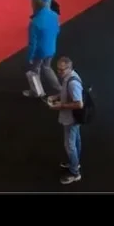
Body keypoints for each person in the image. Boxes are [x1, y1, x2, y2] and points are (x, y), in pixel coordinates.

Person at [47, 56, 85, 185]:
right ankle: (75, 163)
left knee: (69, 146)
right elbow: (66, 92)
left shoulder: (72, 83)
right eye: (58, 69)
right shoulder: (69, 77)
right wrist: (56, 97)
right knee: (76, 140)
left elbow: (79, 104)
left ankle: (75, 173)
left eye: (62, 70)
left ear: (69, 68)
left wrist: (61, 106)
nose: (59, 72)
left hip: (71, 119)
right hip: (73, 118)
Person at [25, 0, 60, 98]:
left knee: (35, 70)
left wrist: (30, 57)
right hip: (51, 48)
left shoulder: (34, 23)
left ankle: (37, 92)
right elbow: (57, 30)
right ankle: (59, 88)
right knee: (47, 67)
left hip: (40, 52)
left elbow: (32, 43)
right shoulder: (54, 15)